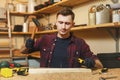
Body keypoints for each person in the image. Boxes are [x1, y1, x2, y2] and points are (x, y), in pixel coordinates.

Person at [24, 7, 103, 68]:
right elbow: (23, 51)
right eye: (60, 22)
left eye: (67, 23)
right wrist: (27, 45)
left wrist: (93, 63)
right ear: (56, 23)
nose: (63, 27)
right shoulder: (45, 39)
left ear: (73, 24)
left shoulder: (80, 43)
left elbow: (99, 65)